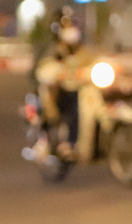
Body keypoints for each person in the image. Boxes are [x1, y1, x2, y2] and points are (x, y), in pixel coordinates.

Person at [34, 10, 94, 159]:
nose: (71, 31)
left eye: (72, 26)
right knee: (68, 108)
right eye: (67, 27)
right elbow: (44, 69)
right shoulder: (52, 48)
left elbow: (92, 61)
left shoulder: (80, 49)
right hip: (57, 91)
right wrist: (57, 73)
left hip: (78, 87)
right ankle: (58, 140)